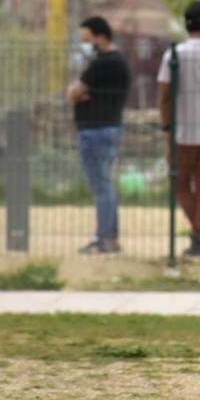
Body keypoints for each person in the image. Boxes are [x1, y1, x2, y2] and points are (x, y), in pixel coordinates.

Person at [157, 1, 200, 257]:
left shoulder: (174, 54)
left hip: (182, 132)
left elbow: (164, 93)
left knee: (180, 183)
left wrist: (165, 124)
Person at [67, 16, 131, 255]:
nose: (85, 44)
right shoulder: (119, 61)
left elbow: (74, 92)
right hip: (110, 127)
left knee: (101, 187)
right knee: (105, 185)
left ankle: (104, 238)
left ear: (100, 36)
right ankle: (109, 238)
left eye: (87, 39)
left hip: (94, 130)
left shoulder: (102, 63)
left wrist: (80, 95)